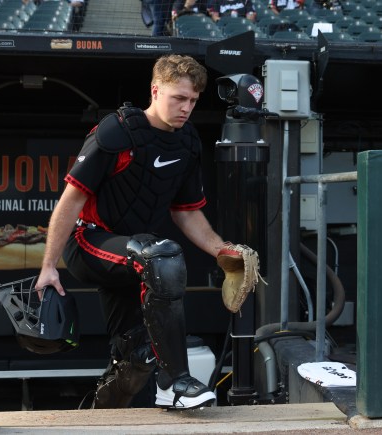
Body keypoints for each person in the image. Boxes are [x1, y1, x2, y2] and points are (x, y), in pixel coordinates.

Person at [35, 54, 227, 410]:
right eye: (178, 98)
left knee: (137, 358)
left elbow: (188, 214)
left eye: (193, 101)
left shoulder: (187, 143)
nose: (186, 108)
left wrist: (221, 251)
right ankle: (175, 384)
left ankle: (99, 417)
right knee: (162, 255)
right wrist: (49, 267)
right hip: (89, 241)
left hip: (138, 255)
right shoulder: (118, 130)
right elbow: (71, 201)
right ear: (155, 91)